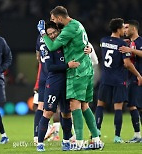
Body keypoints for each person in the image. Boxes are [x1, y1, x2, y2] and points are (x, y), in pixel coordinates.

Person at [37, 6, 103, 150]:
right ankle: (96, 139)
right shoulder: (78, 24)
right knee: (84, 105)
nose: (53, 22)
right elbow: (84, 43)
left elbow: (53, 46)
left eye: (53, 19)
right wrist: (89, 49)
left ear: (59, 18)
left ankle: (79, 143)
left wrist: (43, 33)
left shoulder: (68, 29)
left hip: (77, 71)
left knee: (74, 105)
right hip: (85, 68)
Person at [95, 18, 142, 143]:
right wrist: (138, 74)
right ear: (119, 29)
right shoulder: (122, 44)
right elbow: (126, 64)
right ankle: (117, 136)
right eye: (123, 27)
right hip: (119, 80)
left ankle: (96, 132)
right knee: (118, 108)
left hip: (105, 78)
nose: (124, 30)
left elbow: (111, 46)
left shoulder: (103, 41)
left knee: (100, 105)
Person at [37, 21, 80, 152]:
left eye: (54, 32)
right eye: (49, 34)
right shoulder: (47, 46)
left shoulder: (64, 43)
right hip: (54, 83)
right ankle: (40, 143)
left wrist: (87, 50)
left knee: (66, 113)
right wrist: (68, 65)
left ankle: (66, 141)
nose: (52, 36)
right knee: (48, 112)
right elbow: (50, 67)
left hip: (67, 83)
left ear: (58, 31)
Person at [119, 20, 142, 142]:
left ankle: (137, 135)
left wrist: (131, 50)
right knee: (134, 106)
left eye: (126, 27)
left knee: (134, 106)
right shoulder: (131, 43)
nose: (125, 30)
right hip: (132, 78)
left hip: (138, 77)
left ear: (133, 29)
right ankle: (137, 135)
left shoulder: (140, 41)